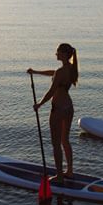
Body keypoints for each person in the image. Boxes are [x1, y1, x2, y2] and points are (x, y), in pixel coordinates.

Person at [28, 43, 79, 183]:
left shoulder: (61, 71)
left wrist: (39, 104)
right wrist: (36, 72)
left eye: (57, 51)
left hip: (58, 110)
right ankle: (69, 171)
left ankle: (60, 177)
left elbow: (51, 91)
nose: (55, 54)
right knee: (65, 141)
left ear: (63, 53)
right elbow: (54, 73)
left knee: (56, 143)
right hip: (69, 108)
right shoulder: (70, 68)